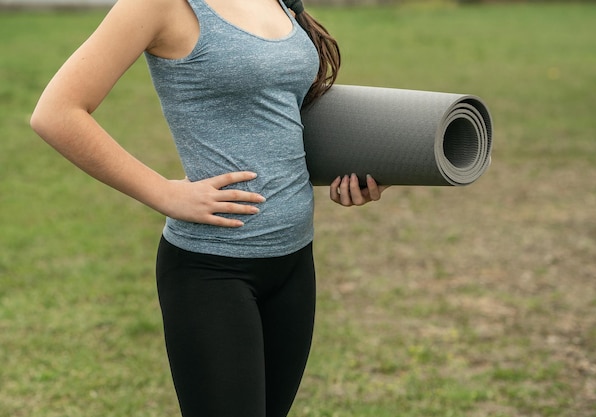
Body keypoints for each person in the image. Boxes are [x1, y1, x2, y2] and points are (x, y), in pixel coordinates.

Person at [31, 0, 387, 416]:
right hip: (212, 272)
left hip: (294, 262)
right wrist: (163, 192)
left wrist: (360, 171)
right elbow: (56, 112)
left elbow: (280, 112)